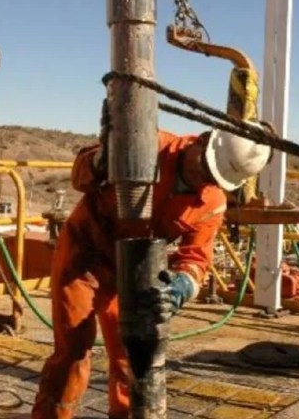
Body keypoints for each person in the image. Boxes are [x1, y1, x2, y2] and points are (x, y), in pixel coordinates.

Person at [33, 127, 272, 419]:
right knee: (74, 351)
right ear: (202, 140)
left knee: (131, 356)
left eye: (213, 178)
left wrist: (182, 286)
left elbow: (196, 257)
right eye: (204, 167)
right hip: (83, 255)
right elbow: (79, 175)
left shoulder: (211, 202)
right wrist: (101, 161)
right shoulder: (146, 141)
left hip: (134, 271)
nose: (203, 178)